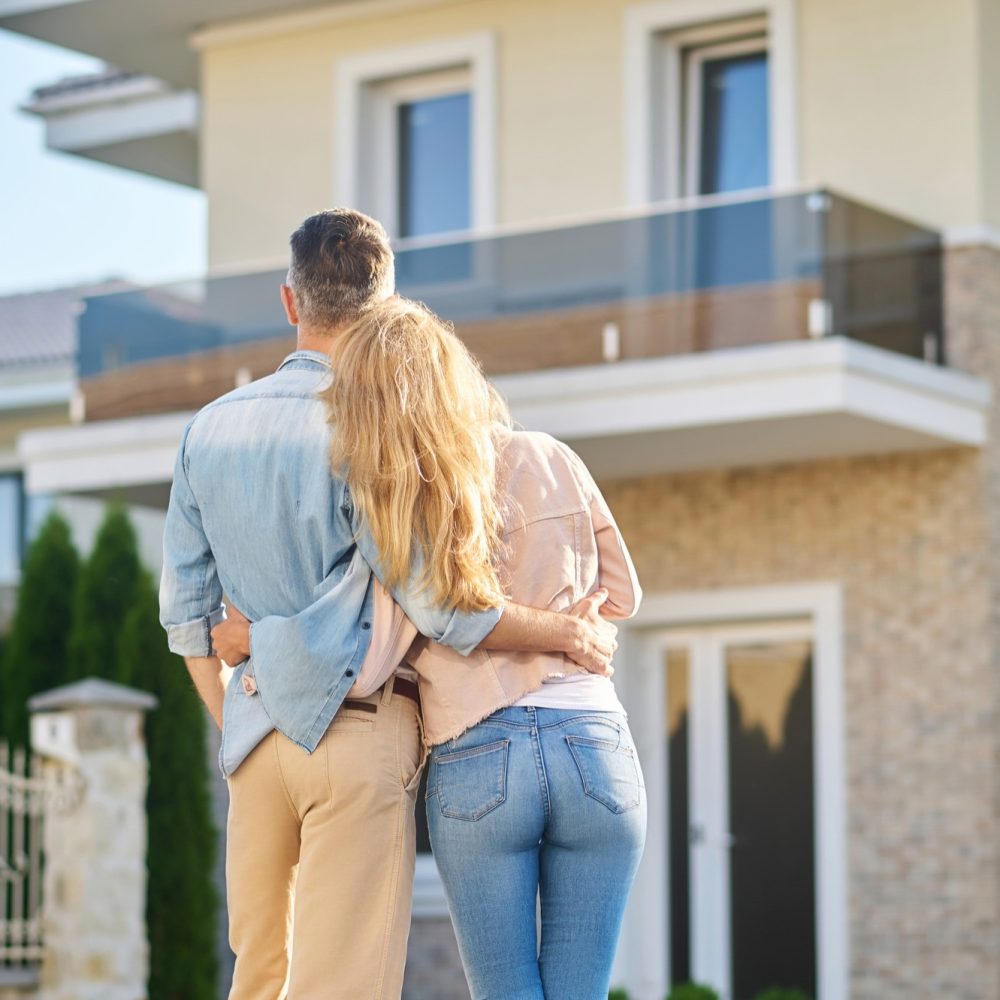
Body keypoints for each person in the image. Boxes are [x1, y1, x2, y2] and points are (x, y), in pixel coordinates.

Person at [159, 209, 619, 1000]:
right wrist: (568, 630)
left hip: (255, 739)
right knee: (343, 987)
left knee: (258, 980)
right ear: (388, 306)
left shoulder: (209, 429)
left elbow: (188, 619)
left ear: (289, 300)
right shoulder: (377, 426)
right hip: (360, 736)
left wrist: (241, 727)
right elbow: (445, 609)